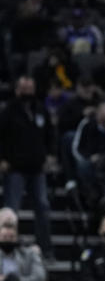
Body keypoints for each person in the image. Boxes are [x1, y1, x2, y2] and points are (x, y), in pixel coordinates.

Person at [0, 76, 56, 258]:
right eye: (24, 89)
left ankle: (45, 249)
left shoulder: (40, 108)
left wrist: (50, 155)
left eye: (30, 89)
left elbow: (50, 133)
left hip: (37, 167)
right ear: (17, 90)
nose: (28, 93)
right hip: (15, 167)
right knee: (11, 211)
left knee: (43, 206)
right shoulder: (9, 110)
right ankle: (6, 249)